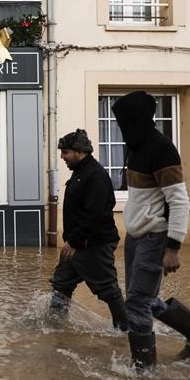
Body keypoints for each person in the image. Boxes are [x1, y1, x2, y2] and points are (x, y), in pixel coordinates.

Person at [111, 91, 190, 371]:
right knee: (142, 299)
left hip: (155, 237)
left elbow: (179, 201)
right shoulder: (135, 147)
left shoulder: (161, 149)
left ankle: (143, 372)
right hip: (136, 236)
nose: (121, 128)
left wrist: (173, 248)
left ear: (138, 119)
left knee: (136, 304)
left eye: (124, 122)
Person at [48, 129, 128, 332]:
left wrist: (75, 241)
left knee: (108, 289)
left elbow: (96, 215)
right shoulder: (80, 173)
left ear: (79, 152)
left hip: (94, 244)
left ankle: (127, 330)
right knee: (61, 283)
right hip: (77, 244)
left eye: (65, 152)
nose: (62, 157)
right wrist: (73, 241)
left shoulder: (96, 175)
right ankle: (54, 327)